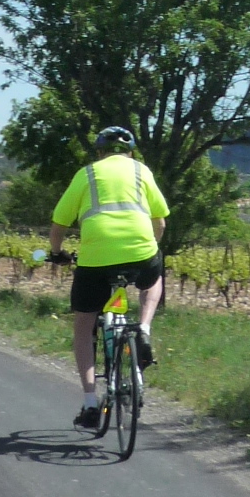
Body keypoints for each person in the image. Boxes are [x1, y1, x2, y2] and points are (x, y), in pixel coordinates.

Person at [48, 127, 170, 430]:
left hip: (96, 259)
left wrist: (56, 252)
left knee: (84, 324)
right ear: (131, 152)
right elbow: (160, 223)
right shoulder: (142, 172)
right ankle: (144, 327)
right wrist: (150, 247)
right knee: (153, 278)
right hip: (140, 251)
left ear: (100, 152)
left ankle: (90, 402)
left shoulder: (87, 174)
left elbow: (59, 223)